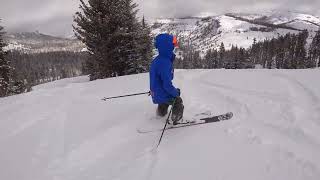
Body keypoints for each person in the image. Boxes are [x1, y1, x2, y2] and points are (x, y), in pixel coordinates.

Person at [149, 34, 184, 125]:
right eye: (173, 43)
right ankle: (176, 120)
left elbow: (155, 78)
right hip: (161, 92)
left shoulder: (157, 60)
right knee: (177, 100)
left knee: (164, 100)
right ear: (167, 45)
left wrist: (153, 90)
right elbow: (167, 85)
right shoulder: (165, 62)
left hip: (156, 93)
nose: (174, 45)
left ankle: (160, 115)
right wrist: (176, 93)